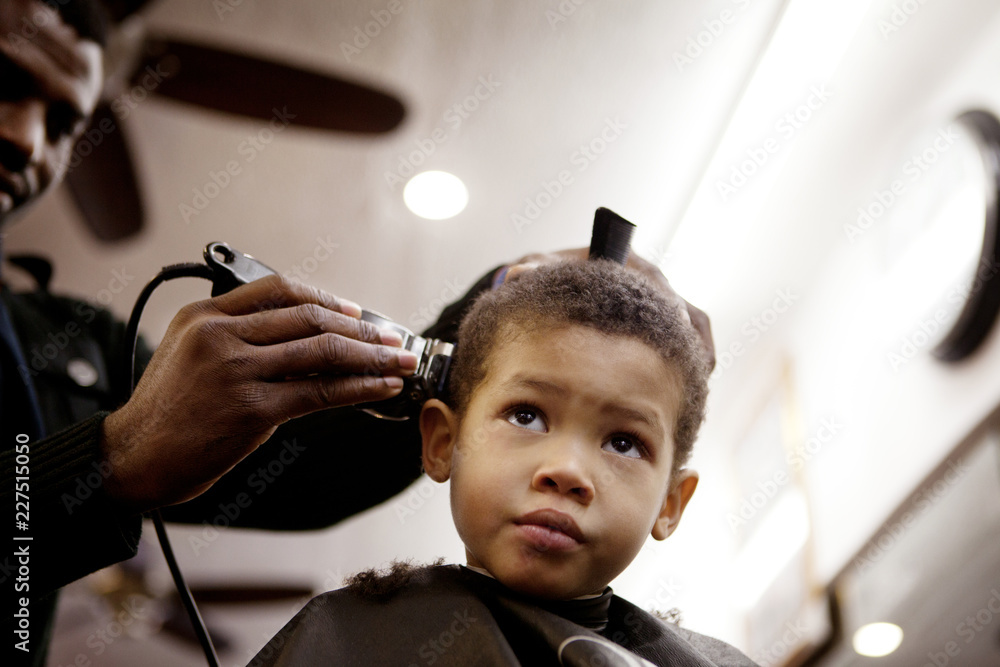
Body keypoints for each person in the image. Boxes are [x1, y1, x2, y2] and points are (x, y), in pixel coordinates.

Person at [1, 2, 717, 665]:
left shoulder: (70, 347)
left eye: (65, 122)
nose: (24, 136)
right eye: (7, 79)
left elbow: (296, 470)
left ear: (671, 501)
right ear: (445, 441)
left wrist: (491, 307)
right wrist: (109, 460)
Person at [249, 260, 751, 666]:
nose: (568, 471)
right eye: (527, 416)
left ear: (670, 504)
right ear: (443, 442)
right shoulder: (343, 642)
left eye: (623, 443)